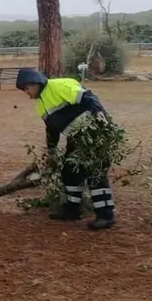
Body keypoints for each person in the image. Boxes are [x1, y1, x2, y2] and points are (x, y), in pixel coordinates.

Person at [15, 67, 116, 230]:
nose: (26, 93)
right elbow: (52, 129)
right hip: (76, 138)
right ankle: (72, 210)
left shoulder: (60, 86)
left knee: (95, 172)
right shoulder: (40, 104)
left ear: (35, 83)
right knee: (70, 170)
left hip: (94, 133)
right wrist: (51, 151)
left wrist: (100, 117)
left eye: (26, 88)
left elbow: (89, 98)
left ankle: (106, 216)